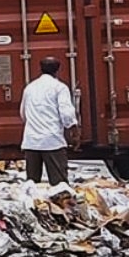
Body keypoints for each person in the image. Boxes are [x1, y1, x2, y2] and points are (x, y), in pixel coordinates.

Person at [20, 56, 79, 185]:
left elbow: (23, 114)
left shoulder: (29, 88)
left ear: (40, 69)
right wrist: (74, 131)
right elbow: (66, 113)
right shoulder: (60, 87)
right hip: (52, 141)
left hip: (31, 141)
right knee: (59, 184)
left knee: (31, 184)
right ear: (57, 70)